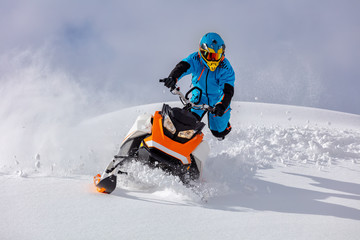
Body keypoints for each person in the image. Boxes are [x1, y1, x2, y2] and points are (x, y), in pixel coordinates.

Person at [160, 32, 235, 140]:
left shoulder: (226, 68)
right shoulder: (195, 59)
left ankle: (224, 125)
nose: (213, 60)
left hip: (218, 100)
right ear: (202, 52)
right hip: (199, 97)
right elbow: (182, 67)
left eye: (216, 56)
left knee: (218, 132)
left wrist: (222, 105)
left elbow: (228, 91)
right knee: (186, 125)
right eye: (210, 55)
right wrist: (172, 77)